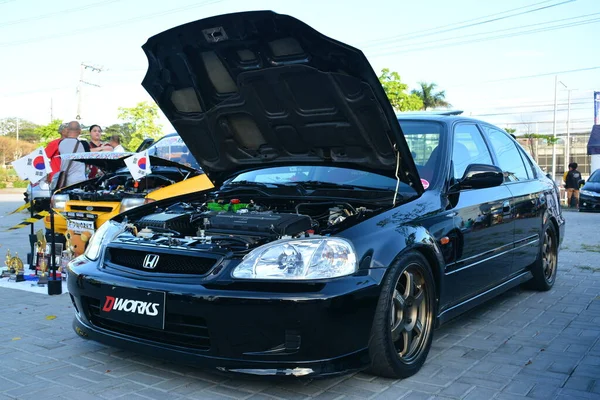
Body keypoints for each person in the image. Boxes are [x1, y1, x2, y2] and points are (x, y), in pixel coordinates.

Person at [58, 121, 90, 187]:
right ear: (80, 131)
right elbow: (88, 160)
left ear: (67, 130)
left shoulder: (60, 143)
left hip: (64, 180)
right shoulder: (84, 144)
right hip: (79, 180)